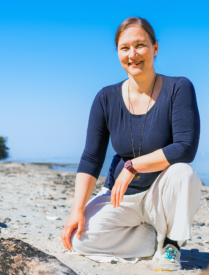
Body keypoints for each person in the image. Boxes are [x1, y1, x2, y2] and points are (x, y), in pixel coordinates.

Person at [61, 17, 201, 271]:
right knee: (78, 239)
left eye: (140, 45)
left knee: (184, 172)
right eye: (124, 48)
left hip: (162, 196)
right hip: (121, 197)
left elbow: (185, 147)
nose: (132, 54)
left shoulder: (179, 87)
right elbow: (92, 158)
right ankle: (150, 240)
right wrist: (77, 210)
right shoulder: (105, 97)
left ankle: (170, 243)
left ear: (155, 48)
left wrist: (132, 166)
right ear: (117, 52)